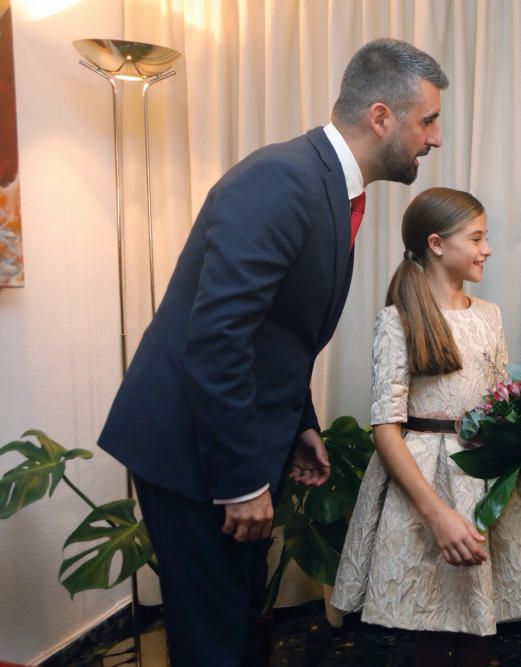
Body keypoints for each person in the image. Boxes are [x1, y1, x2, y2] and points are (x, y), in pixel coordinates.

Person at [98, 39, 448, 666]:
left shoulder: (325, 185)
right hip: (192, 454)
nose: (435, 138)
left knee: (238, 629)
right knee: (214, 643)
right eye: (427, 120)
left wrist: (298, 427)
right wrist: (237, 482)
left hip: (233, 442)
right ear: (380, 118)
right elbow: (218, 338)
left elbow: (275, 335)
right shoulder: (281, 180)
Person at [333, 187, 521, 667]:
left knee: (480, 618)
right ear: (437, 244)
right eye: (476, 238)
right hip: (422, 488)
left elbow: (506, 413)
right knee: (431, 622)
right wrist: (436, 514)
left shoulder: (490, 316)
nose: (487, 249)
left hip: (481, 479)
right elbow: (385, 429)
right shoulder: (397, 321)